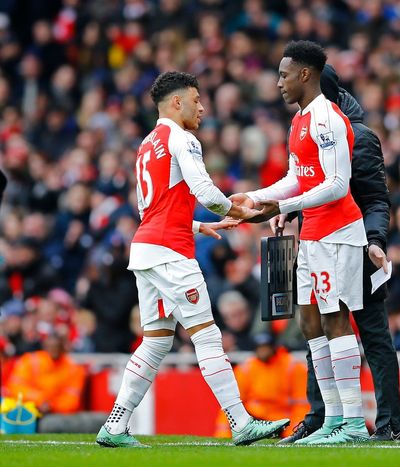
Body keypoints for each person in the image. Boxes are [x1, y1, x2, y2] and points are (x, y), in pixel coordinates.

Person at [96, 71, 289, 448]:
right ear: (177, 102)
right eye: (197, 100)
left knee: (155, 342)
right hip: (170, 251)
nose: (203, 107)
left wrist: (199, 226)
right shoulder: (183, 138)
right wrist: (244, 211)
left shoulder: (147, 143)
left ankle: (115, 426)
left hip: (147, 249)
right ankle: (240, 421)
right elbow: (205, 190)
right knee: (207, 335)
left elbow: (149, 208)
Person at [232, 41, 370, 444]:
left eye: (284, 74)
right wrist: (258, 198)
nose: (278, 83)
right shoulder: (299, 120)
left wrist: (282, 204)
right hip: (312, 233)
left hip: (339, 231)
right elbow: (298, 177)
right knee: (309, 320)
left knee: (336, 318)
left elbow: (338, 184)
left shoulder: (327, 118)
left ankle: (354, 424)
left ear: (305, 74)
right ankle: (332, 420)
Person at [277, 64, 400, 443]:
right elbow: (309, 184)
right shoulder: (306, 127)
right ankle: (321, 417)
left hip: (357, 246)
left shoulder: (359, 137)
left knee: (371, 334)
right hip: (319, 243)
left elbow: (375, 198)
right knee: (317, 329)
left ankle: (388, 423)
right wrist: (288, 210)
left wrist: (376, 240)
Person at [214, 333, 308, 439]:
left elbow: (302, 405)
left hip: (283, 421)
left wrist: (292, 434)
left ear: (274, 347)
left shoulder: (293, 367)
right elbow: (232, 403)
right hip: (255, 419)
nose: (263, 351)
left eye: (266, 347)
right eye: (260, 348)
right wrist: (223, 434)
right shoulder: (246, 368)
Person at [5, 333, 86, 415]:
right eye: (51, 347)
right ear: (44, 347)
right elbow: (14, 388)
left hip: (57, 415)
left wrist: (51, 405)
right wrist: (39, 400)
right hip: (27, 410)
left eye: (57, 347)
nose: (54, 350)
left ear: (63, 347)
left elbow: (72, 400)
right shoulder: (30, 361)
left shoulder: (74, 369)